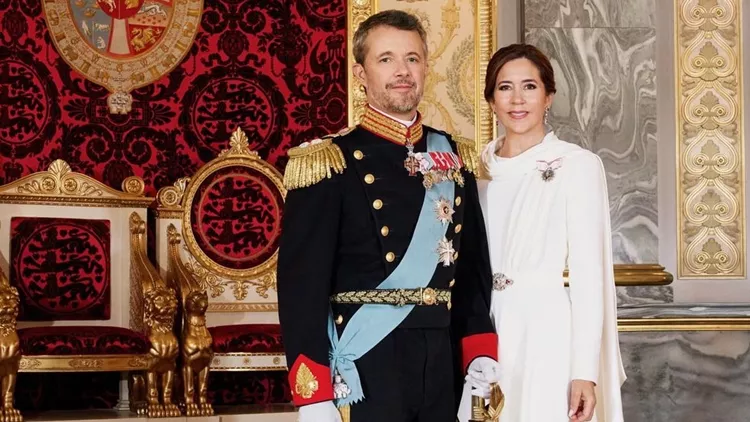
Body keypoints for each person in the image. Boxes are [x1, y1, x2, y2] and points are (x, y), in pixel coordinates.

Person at [277, 9, 500, 422]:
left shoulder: (454, 156)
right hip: (366, 365)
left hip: (441, 363)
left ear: (426, 67)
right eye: (386, 59)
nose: (402, 71)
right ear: (361, 74)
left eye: (412, 58)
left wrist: (478, 351)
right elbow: (301, 287)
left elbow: (470, 272)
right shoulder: (329, 161)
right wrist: (313, 394)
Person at [457, 44, 626, 422]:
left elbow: (589, 276)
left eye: (529, 87)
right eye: (505, 87)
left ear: (548, 96)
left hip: (546, 332)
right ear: (491, 99)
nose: (517, 99)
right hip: (483, 330)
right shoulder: (472, 169)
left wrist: (584, 371)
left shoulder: (576, 165)